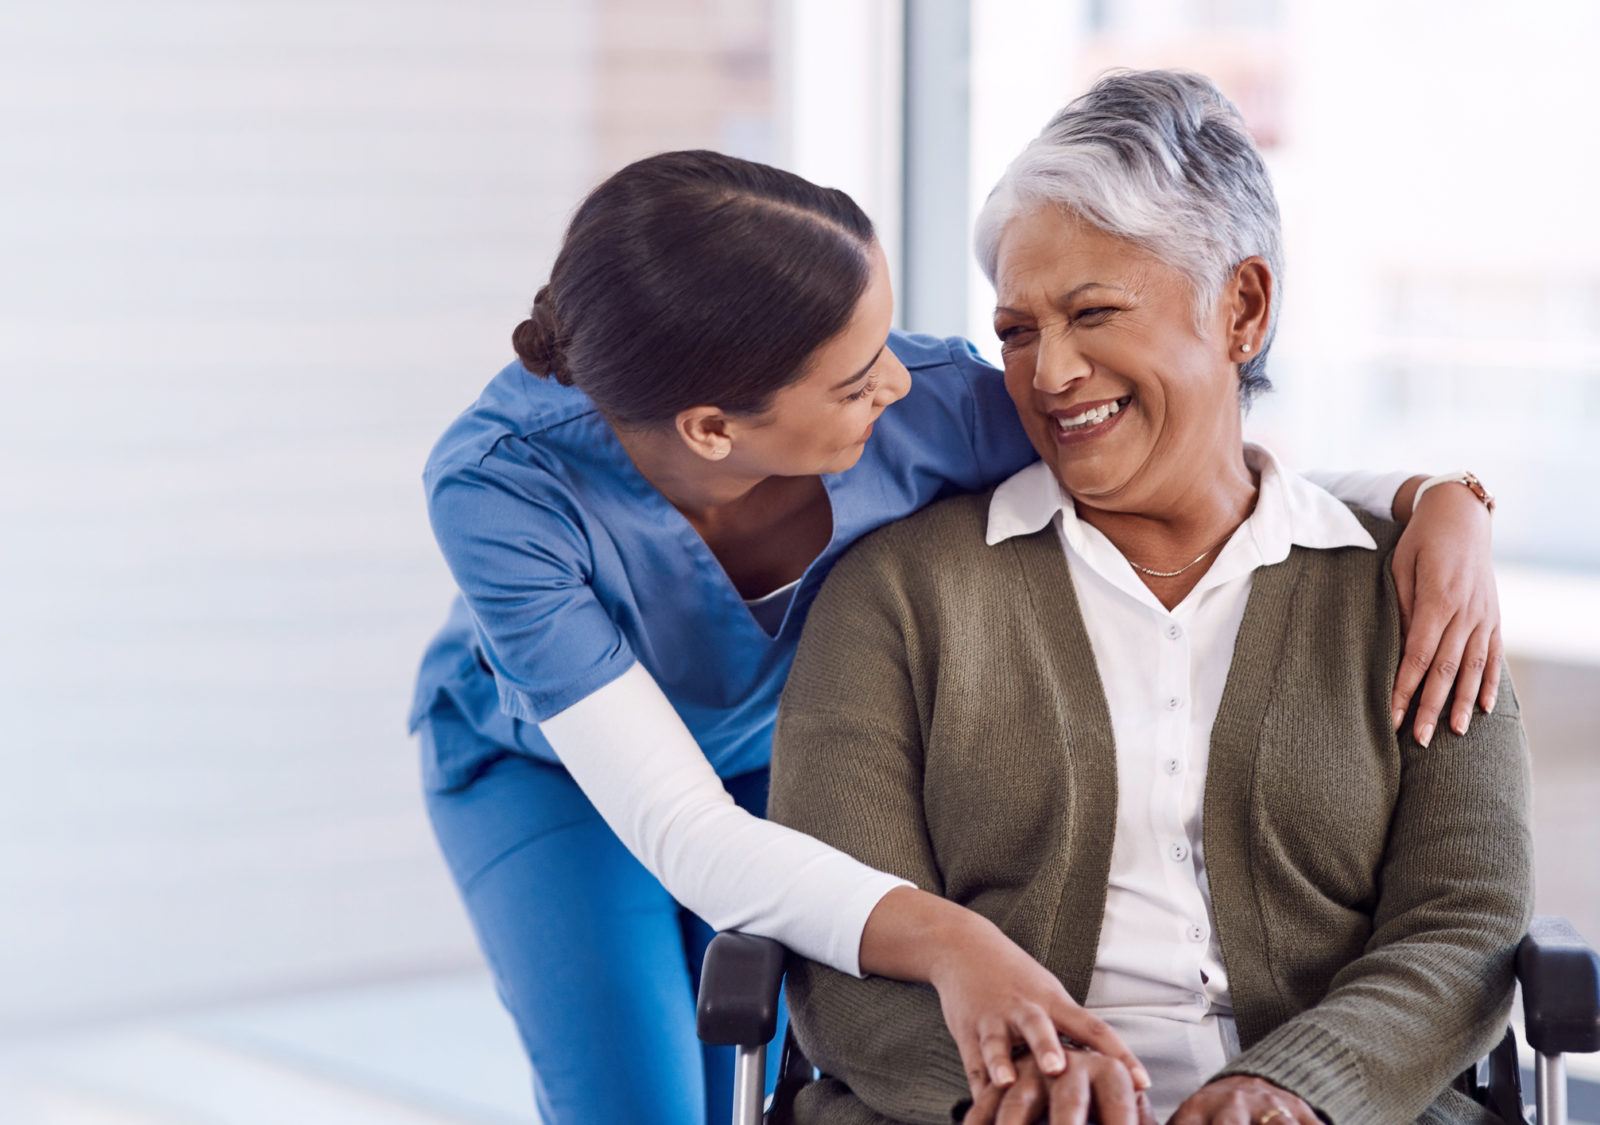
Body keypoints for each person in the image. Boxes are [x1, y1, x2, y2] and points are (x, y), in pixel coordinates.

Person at [411, 147, 1504, 1125]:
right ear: (711, 428)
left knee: (742, 1067)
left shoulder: (927, 403)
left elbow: (1200, 461)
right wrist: (957, 943)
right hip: (554, 777)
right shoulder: (501, 487)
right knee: (640, 1104)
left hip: (782, 758)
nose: (897, 377)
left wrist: (1433, 498)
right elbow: (684, 834)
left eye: (883, 340)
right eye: (852, 377)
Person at [768, 70, 1530, 1125]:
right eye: (1018, 330)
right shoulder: (896, 595)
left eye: (1092, 313)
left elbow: (1464, 921)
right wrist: (1014, 1086)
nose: (1048, 373)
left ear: (1242, 308)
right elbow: (839, 933)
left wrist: (1294, 1088)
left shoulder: (1415, 588)